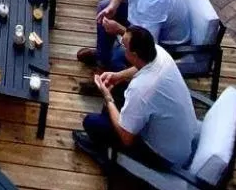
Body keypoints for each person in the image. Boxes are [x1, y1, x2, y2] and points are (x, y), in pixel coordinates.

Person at [74, 26, 199, 171]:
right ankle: (108, 124)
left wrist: (108, 98)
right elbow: (140, 67)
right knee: (118, 89)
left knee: (91, 122)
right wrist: (118, 76)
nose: (122, 46)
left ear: (133, 54)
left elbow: (126, 138)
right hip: (180, 136)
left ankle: (105, 153)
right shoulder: (160, 53)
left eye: (124, 45)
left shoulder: (142, 89)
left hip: (164, 157)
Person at [77, 0, 191, 72]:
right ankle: (102, 58)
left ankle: (111, 75)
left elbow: (147, 42)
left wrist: (119, 29)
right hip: (142, 21)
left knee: (116, 58)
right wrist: (113, 6)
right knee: (104, 7)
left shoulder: (154, 0)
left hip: (163, 45)